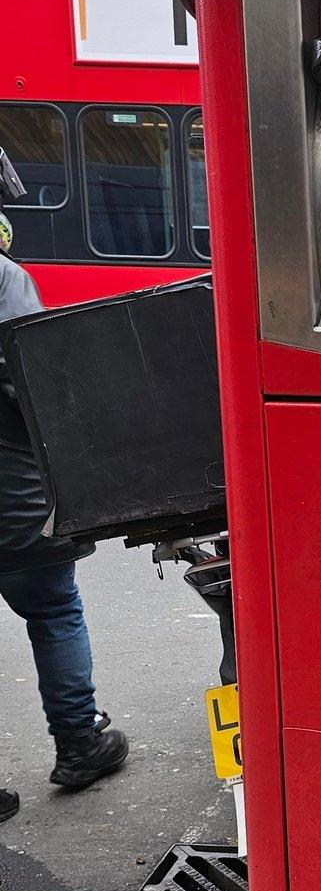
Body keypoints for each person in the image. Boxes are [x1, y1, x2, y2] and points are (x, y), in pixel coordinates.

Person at [0, 211, 129, 793]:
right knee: (52, 610)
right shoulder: (3, 277)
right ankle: (79, 743)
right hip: (11, 488)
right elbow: (27, 373)